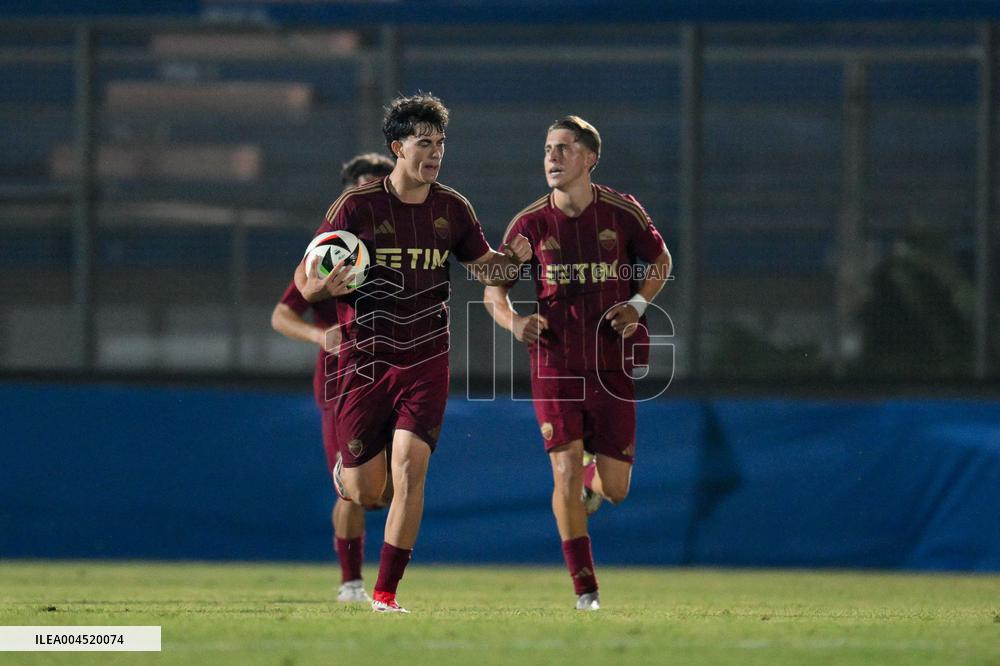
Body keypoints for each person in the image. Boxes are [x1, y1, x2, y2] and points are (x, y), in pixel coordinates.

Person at [295, 93, 531, 613]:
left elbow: (487, 270)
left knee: (410, 470)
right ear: (398, 147)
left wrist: (515, 261)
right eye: (425, 143)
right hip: (365, 361)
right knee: (367, 492)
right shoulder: (356, 207)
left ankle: (385, 594)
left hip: (427, 359)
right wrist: (320, 286)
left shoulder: (453, 209)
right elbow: (305, 280)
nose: (435, 153)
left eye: (441, 143)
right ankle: (349, 475)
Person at [483, 116, 672, 611]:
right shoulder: (528, 224)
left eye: (564, 148)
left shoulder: (622, 211)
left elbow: (661, 261)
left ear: (589, 158)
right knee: (563, 474)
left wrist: (638, 306)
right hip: (555, 365)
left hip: (611, 366)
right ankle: (585, 589)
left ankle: (594, 480)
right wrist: (512, 322)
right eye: (548, 148)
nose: (552, 157)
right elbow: (493, 290)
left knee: (616, 488)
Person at [271, 152, 394, 603]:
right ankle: (351, 585)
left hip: (396, 370)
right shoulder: (329, 250)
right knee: (353, 492)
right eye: (359, 185)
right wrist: (320, 334)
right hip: (341, 379)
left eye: (376, 185)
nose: (367, 193)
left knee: (385, 491)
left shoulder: (404, 245)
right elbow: (282, 314)